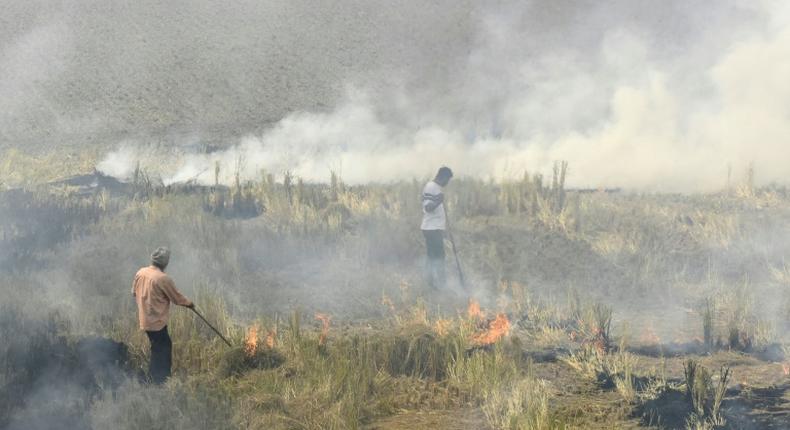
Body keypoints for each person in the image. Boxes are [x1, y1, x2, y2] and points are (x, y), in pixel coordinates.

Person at [131, 247, 193, 384]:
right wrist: (190, 304)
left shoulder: (141, 272)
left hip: (145, 320)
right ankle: (159, 380)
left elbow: (133, 292)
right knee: (163, 348)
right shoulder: (163, 278)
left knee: (157, 347)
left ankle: (154, 378)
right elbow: (177, 298)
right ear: (165, 263)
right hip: (156, 322)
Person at [421, 167, 453, 288]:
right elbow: (428, 208)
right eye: (447, 180)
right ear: (443, 177)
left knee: (433, 256)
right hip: (431, 229)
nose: (447, 183)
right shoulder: (431, 187)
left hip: (434, 228)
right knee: (438, 257)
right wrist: (438, 201)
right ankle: (440, 284)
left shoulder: (435, 188)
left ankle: (431, 283)